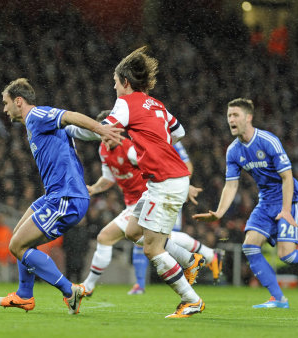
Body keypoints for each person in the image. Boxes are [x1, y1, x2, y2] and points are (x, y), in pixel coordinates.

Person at [193, 98, 298, 308]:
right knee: (249, 246)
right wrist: (219, 213)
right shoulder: (233, 151)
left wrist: (285, 209)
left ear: (248, 118)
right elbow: (231, 186)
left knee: (287, 255)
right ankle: (278, 298)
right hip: (265, 201)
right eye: (229, 116)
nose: (231, 120)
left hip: (289, 199)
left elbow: (287, 177)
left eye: (235, 115)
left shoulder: (267, 141)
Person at [0, 78, 123, 315]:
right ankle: (24, 296)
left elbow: (71, 116)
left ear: (18, 101)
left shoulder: (37, 115)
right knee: (19, 239)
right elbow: (75, 130)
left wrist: (102, 128)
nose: (4, 108)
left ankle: (68, 290)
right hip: (55, 195)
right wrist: (98, 132)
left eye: (6, 102)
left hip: (66, 197)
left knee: (17, 246)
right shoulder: (36, 124)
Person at [102, 46, 204, 318]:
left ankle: (191, 299)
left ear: (125, 82)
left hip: (167, 180)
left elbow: (108, 128)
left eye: (115, 83)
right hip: (165, 179)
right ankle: (189, 259)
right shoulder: (155, 103)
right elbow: (179, 131)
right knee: (134, 232)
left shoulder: (126, 102)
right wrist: (158, 145)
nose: (114, 88)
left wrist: (71, 126)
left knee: (151, 248)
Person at [68, 111, 214, 298]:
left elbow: (157, 167)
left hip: (146, 200)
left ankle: (88, 286)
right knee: (160, 240)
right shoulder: (103, 149)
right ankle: (199, 258)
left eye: (106, 132)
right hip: (134, 205)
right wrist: (94, 189)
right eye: (100, 134)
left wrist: (183, 186)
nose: (103, 138)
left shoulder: (130, 150)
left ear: (117, 130)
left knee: (108, 237)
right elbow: (108, 177)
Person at [128, 140, 225, 294]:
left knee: (161, 237)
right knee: (138, 234)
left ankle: (205, 258)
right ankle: (141, 284)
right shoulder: (132, 140)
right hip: (149, 193)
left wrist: (182, 186)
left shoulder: (169, 138)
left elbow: (188, 165)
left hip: (166, 193)